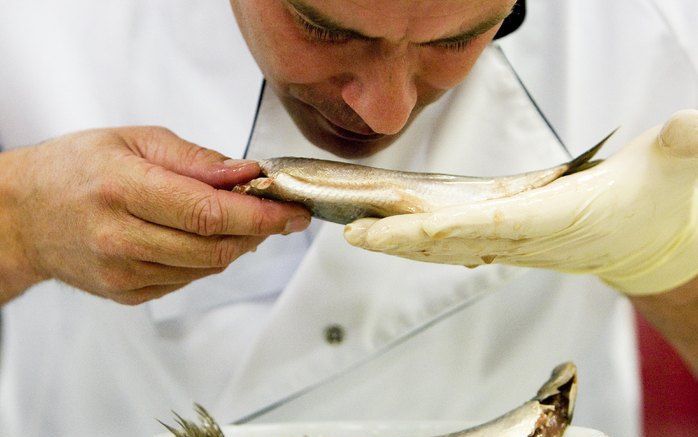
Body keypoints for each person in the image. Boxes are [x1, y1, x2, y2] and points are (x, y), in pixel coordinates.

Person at [0, 0, 695, 436]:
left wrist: (671, 262)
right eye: (320, 28)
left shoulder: (654, 28)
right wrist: (19, 221)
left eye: (460, 40)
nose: (383, 111)